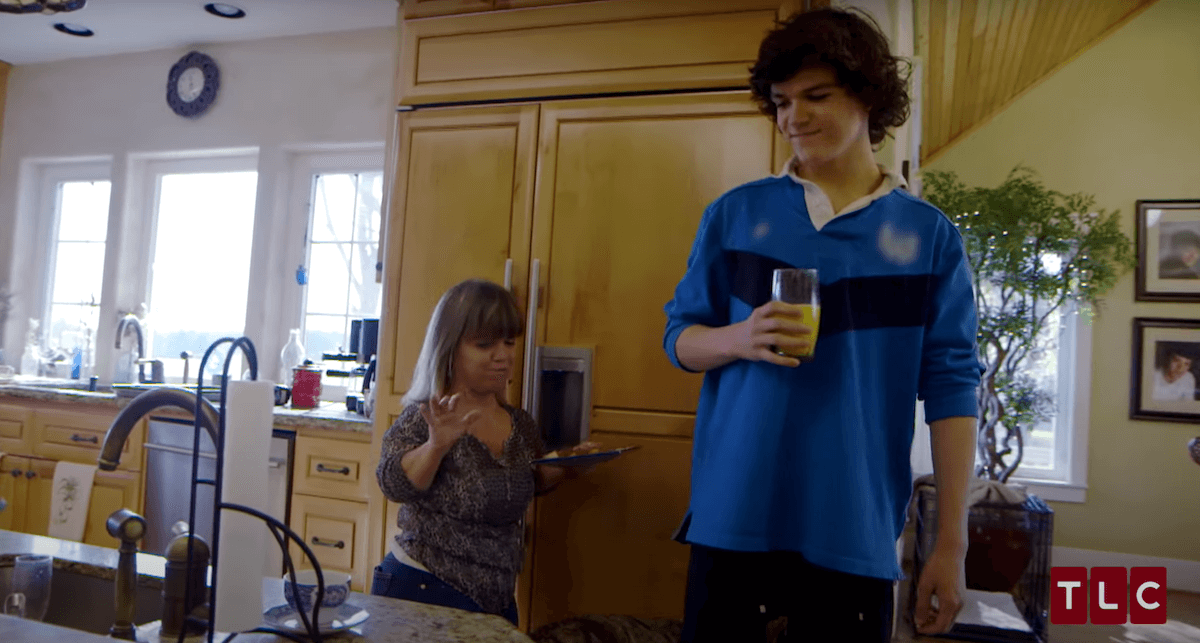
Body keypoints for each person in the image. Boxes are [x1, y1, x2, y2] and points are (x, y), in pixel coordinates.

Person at [661, 7, 981, 643]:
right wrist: (739, 338)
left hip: (854, 530)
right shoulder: (734, 215)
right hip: (733, 521)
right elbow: (680, 341)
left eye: (816, 96)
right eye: (780, 102)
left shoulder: (929, 239)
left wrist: (950, 544)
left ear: (868, 98)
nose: (793, 118)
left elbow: (952, 390)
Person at [372, 278, 590, 626]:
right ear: (450, 348)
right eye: (485, 344)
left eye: (508, 342)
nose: (503, 356)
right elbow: (393, 483)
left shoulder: (520, 424)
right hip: (424, 587)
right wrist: (436, 445)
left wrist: (568, 465)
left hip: (498, 601)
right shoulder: (425, 415)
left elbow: (525, 483)